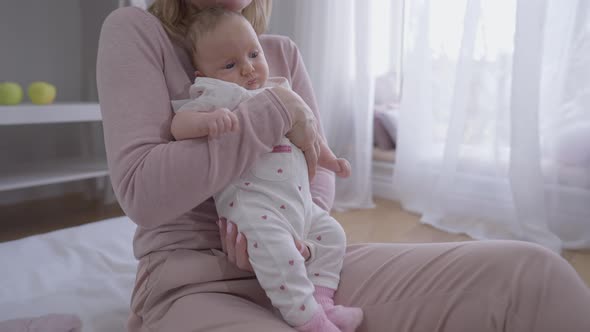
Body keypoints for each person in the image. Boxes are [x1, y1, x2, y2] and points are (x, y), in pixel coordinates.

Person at [96, 0, 590, 331]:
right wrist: (276, 110)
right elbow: (143, 192)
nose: (247, 67)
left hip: (307, 262)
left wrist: (292, 239)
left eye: (250, 60)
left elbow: (318, 176)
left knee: (536, 275)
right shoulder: (137, 32)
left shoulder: (278, 52)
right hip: (191, 282)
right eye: (231, 65)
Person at [169, 7, 358, 332]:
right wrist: (206, 121)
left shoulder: (278, 88)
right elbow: (178, 125)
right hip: (255, 207)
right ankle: (309, 320)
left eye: (254, 54)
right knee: (278, 256)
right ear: (204, 76)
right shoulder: (216, 95)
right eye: (230, 64)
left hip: (300, 203)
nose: (247, 69)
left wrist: (329, 159)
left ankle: (324, 302)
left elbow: (309, 137)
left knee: (333, 235)